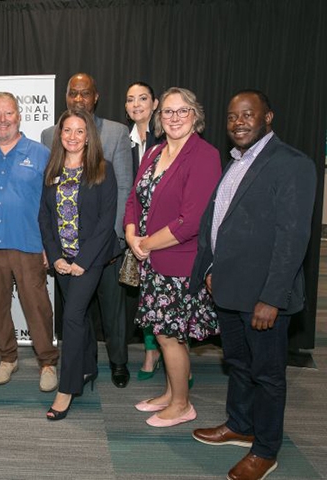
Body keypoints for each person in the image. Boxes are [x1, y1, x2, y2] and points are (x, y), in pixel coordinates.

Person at [191, 90, 316, 480]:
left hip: (263, 297)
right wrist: (210, 268)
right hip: (228, 289)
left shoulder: (291, 164)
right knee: (240, 365)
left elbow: (292, 239)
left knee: (267, 374)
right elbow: (222, 222)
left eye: (247, 115)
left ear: (268, 118)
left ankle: (265, 449)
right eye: (231, 117)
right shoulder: (237, 162)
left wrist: (271, 297)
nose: (238, 123)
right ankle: (240, 425)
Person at [124, 87, 221, 427]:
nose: (174, 117)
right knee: (164, 333)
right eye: (167, 112)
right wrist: (131, 233)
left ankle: (182, 404)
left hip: (179, 262)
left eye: (182, 111)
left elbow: (191, 221)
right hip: (152, 260)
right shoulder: (153, 153)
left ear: (195, 115)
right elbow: (135, 200)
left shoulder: (205, 155)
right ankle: (169, 393)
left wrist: (147, 242)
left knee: (170, 336)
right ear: (158, 117)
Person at [42, 73, 133, 388]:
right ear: (66, 97)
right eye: (72, 94)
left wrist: (114, 241)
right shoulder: (50, 134)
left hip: (105, 246)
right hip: (66, 250)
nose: (78, 99)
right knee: (77, 313)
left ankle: (119, 362)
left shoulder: (117, 133)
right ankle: (88, 366)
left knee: (111, 310)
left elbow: (123, 190)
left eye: (85, 94)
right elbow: (47, 200)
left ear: (96, 97)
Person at [0, 92, 59, 391]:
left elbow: (52, 205)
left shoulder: (40, 154)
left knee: (37, 307)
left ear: (19, 116)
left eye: (8, 113)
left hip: (29, 243)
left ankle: (47, 362)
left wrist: (51, 245)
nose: (3, 119)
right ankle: (8, 358)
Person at [38, 109, 117, 420]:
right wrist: (55, 255)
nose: (72, 136)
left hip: (90, 260)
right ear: (60, 135)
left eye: (79, 131)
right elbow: (44, 217)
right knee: (79, 315)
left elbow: (105, 222)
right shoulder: (52, 169)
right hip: (62, 260)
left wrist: (83, 262)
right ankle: (86, 367)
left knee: (70, 319)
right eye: (66, 130)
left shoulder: (102, 169)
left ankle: (67, 388)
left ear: (88, 136)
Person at [125, 81, 162, 381]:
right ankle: (152, 349)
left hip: (165, 229)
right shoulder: (122, 141)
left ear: (155, 103)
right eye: (130, 100)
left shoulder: (168, 136)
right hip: (135, 227)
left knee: (170, 294)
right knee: (147, 293)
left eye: (143, 98)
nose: (136, 104)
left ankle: (174, 355)